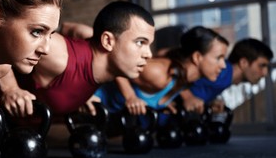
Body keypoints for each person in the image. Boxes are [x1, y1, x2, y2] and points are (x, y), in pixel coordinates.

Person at [0, 1, 155, 118]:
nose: (148, 54)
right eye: (140, 42)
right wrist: (10, 88)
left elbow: (70, 28)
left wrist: (80, 96)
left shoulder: (99, 71)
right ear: (107, 41)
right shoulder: (57, 54)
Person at [91, 26, 229, 119]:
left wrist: (161, 103)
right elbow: (114, 62)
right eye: (219, 58)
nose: (223, 65)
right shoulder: (160, 73)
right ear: (197, 57)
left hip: (102, 116)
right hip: (88, 98)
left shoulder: (183, 79)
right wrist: (131, 96)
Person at [180, 38, 274, 114]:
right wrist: (187, 96)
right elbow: (176, 74)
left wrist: (209, 103)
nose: (265, 73)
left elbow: (197, 89)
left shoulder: (226, 78)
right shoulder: (222, 72)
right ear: (243, 62)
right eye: (261, 66)